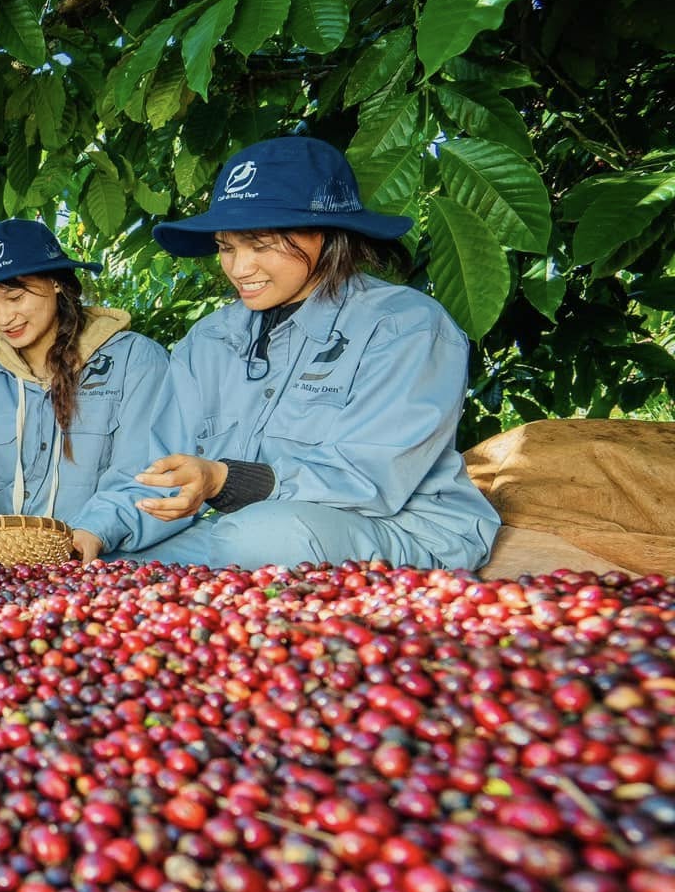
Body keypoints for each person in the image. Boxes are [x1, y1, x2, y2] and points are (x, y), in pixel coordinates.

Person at [70, 135, 500, 569]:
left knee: (260, 536)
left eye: (260, 244)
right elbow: (163, 469)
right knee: (116, 565)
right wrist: (96, 529)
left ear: (327, 236)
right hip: (248, 534)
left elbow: (370, 477)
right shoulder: (209, 339)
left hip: (403, 528)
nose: (239, 268)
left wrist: (224, 479)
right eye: (226, 247)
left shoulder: (405, 325)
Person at [0, 220, 172, 544]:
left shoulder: (135, 361)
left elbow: (145, 471)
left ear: (55, 282)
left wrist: (94, 532)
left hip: (108, 562)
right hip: (1, 570)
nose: (4, 318)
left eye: (15, 297)